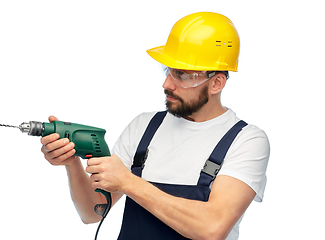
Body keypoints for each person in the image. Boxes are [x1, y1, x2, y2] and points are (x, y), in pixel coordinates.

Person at [41, 12, 270, 240]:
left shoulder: (246, 141)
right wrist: (71, 162)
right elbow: (93, 212)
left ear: (216, 83)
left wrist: (129, 182)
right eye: (167, 70)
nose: (167, 83)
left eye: (182, 75)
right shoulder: (143, 127)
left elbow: (212, 228)